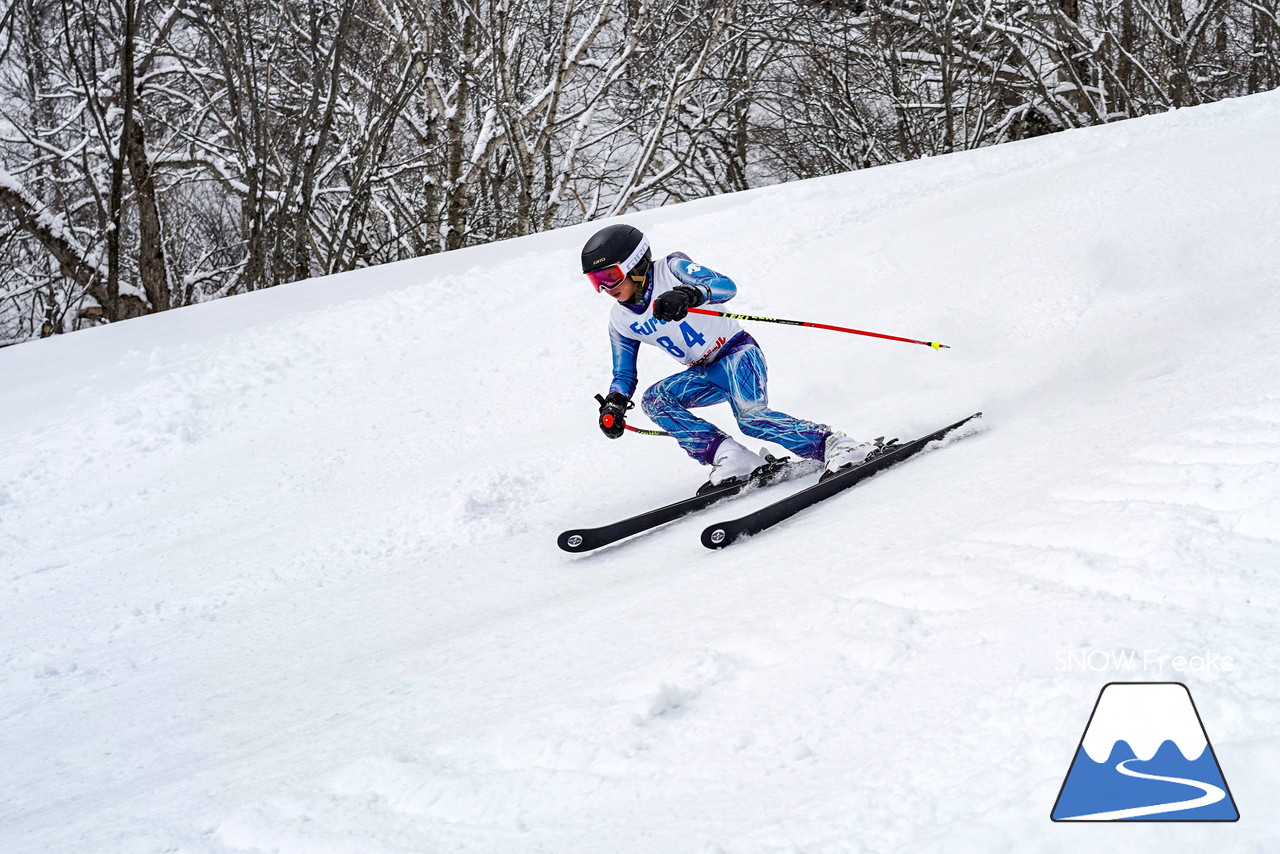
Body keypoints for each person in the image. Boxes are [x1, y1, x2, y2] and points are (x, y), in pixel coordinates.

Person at [582, 223, 874, 490]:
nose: (606, 288)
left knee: (752, 419)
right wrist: (615, 403)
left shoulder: (671, 269)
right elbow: (623, 374)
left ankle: (837, 445)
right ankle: (731, 456)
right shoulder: (620, 319)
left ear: (636, 265)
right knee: (655, 400)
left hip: (737, 353)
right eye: (597, 281)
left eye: (610, 276)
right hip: (703, 372)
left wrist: (689, 293)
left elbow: (725, 285)